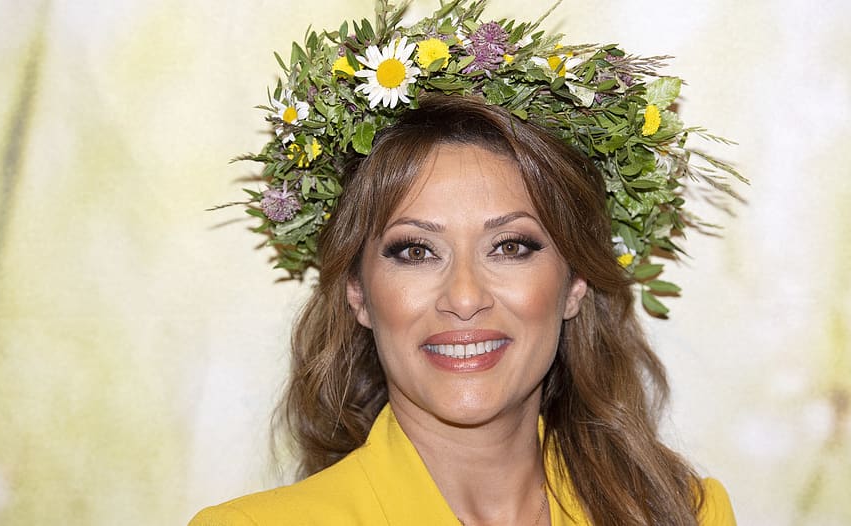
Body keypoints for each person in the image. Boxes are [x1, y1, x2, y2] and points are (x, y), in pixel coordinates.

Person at [192, 2, 741, 524]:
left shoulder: (686, 514)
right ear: (358, 292)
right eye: (416, 251)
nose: (464, 297)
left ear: (575, 282)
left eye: (509, 247)